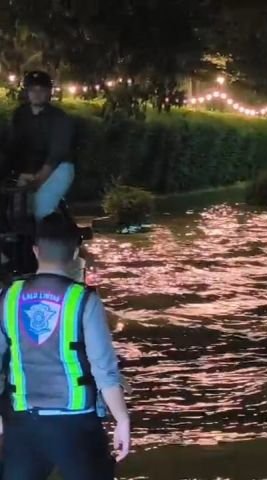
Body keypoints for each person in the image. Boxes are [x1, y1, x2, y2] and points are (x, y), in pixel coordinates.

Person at [0, 212, 130, 479]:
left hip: (23, 423)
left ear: (36, 251)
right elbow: (104, 370)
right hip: (77, 426)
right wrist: (122, 420)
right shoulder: (84, 301)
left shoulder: (8, 298)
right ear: (75, 254)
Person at [3, 71, 75, 221]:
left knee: (42, 208)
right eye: (32, 90)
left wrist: (38, 180)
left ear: (49, 93)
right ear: (27, 93)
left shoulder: (58, 117)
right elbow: (13, 146)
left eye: (41, 90)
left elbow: (57, 153)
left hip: (57, 168)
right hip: (29, 168)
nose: (36, 94)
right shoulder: (20, 115)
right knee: (15, 211)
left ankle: (50, 236)